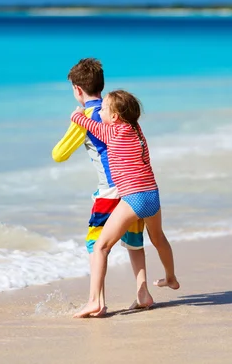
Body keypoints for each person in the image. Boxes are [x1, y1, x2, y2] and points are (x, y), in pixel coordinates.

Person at [52, 58, 153, 316]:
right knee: (133, 241)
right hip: (132, 187)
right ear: (101, 86)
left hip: (109, 190)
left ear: (77, 90)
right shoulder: (117, 112)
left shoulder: (85, 116)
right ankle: (142, 292)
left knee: (96, 244)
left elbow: (59, 154)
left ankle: (96, 300)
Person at [70, 89, 179, 318]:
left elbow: (91, 126)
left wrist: (78, 115)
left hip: (134, 198)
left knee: (101, 246)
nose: (100, 113)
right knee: (158, 239)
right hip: (152, 195)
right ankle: (170, 277)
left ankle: (94, 302)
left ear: (115, 117)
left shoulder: (113, 132)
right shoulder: (137, 130)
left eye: (105, 110)